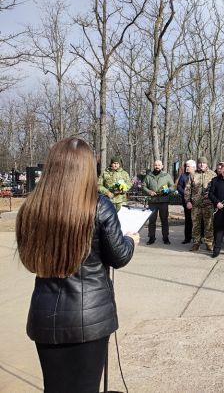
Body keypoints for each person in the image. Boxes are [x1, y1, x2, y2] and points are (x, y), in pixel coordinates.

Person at [16, 137, 139, 393]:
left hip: (45, 316)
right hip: (89, 318)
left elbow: (30, 262)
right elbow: (119, 257)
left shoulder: (31, 207)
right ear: (87, 169)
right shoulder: (99, 206)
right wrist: (130, 240)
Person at [185, 157, 217, 252]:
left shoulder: (212, 175)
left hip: (208, 204)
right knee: (196, 224)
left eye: (204, 163)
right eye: (200, 163)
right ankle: (196, 243)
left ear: (206, 164)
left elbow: (216, 189)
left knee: (209, 224)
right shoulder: (192, 175)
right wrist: (188, 201)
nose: (202, 164)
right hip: (196, 205)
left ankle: (209, 243)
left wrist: (211, 196)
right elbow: (187, 189)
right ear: (197, 164)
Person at [142, 160, 175, 245]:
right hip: (152, 201)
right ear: (153, 166)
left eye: (159, 165)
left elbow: (172, 187)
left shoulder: (166, 176)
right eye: (155, 165)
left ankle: (165, 237)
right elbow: (143, 186)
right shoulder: (149, 176)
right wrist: (149, 192)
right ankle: (151, 237)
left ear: (162, 166)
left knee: (164, 220)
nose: (157, 167)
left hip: (163, 201)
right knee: (152, 220)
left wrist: (165, 192)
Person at [176, 160, 196, 244]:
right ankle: (187, 237)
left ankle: (197, 238)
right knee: (188, 220)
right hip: (186, 201)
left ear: (193, 167)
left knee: (197, 220)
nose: (187, 168)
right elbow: (179, 186)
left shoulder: (198, 175)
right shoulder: (183, 176)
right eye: (186, 166)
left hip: (196, 201)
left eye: (188, 166)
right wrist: (185, 193)